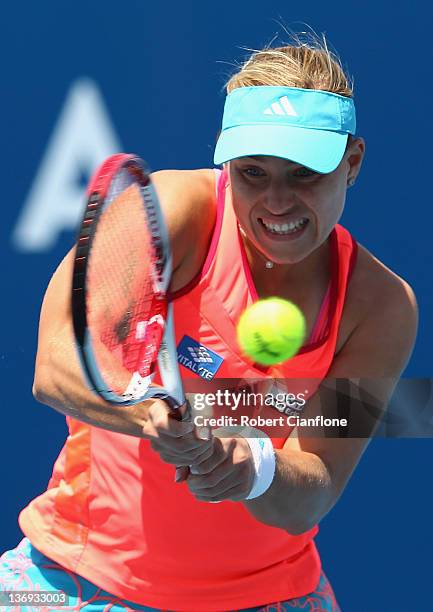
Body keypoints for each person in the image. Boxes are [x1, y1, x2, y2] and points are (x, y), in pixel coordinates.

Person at [0, 35, 418, 611]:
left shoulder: (381, 305)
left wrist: (256, 467)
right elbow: (56, 366)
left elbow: (312, 492)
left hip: (273, 596)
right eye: (252, 173)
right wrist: (154, 414)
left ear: (353, 163)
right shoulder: (171, 214)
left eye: (304, 174)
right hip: (77, 578)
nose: (276, 202)